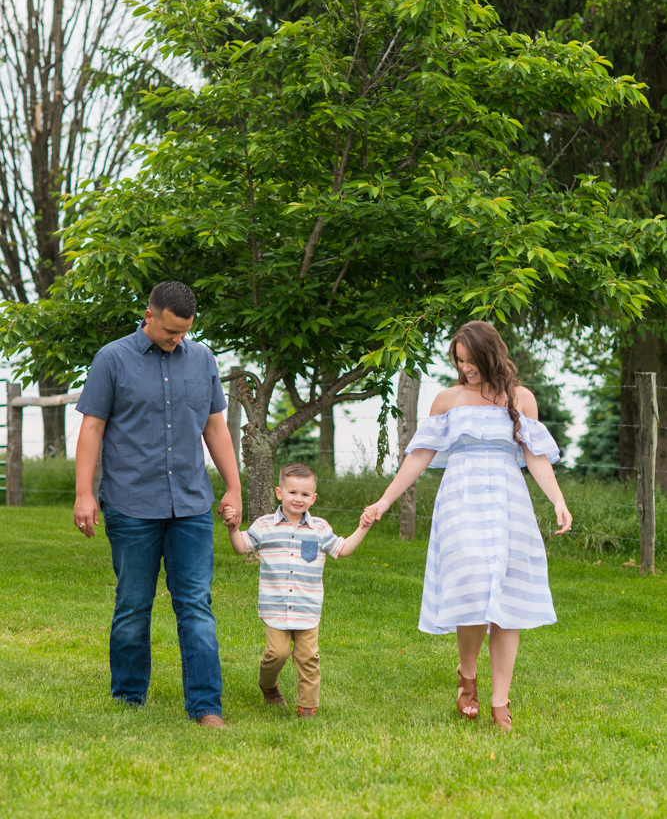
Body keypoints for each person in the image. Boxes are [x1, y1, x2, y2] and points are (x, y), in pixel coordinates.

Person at [361, 321, 572, 731]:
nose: (465, 368)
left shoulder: (520, 398)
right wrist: (384, 501)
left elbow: (536, 457)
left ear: (490, 355)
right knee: (474, 582)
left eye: (471, 360)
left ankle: (499, 702)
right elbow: (419, 456)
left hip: (508, 502)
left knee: (506, 600)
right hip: (460, 500)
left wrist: (558, 501)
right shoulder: (448, 400)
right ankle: (468, 676)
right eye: (459, 361)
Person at [73, 280, 243, 729]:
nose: (177, 339)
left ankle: (206, 707)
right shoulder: (112, 359)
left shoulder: (203, 359)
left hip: (189, 504)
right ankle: (128, 699)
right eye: (170, 330)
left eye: (184, 331)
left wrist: (233, 487)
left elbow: (216, 428)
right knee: (133, 603)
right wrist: (84, 493)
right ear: (149, 315)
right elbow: (91, 428)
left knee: (196, 606)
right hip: (130, 503)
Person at [223, 462, 370, 717]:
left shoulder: (320, 529)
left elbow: (343, 549)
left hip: (307, 608)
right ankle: (268, 686)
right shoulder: (264, 525)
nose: (298, 499)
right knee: (277, 654)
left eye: (304, 495)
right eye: (292, 492)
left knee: (308, 658)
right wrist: (233, 529)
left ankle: (308, 708)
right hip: (275, 607)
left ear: (313, 499)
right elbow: (240, 547)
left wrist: (363, 527)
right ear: (279, 493)